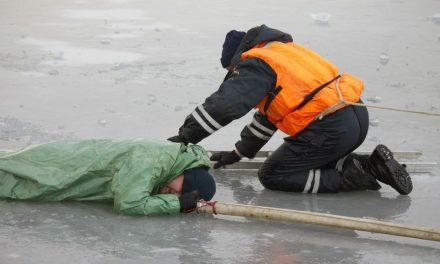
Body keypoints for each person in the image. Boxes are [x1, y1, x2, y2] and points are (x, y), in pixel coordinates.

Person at [169, 24, 412, 195]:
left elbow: (226, 105)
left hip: (329, 128)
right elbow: (269, 117)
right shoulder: (283, 53)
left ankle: (353, 176)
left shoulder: (257, 63)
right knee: (307, 161)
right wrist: (239, 151)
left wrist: (184, 137)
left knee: (274, 175)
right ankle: (374, 164)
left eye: (232, 69)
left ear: (238, 57)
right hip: (354, 116)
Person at [0, 139, 216, 215]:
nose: (176, 193)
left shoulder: (172, 162)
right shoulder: (155, 161)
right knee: (18, 176)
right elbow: (129, 203)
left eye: (182, 194)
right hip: (64, 167)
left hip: (72, 167)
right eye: (182, 188)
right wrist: (175, 205)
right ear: (185, 173)